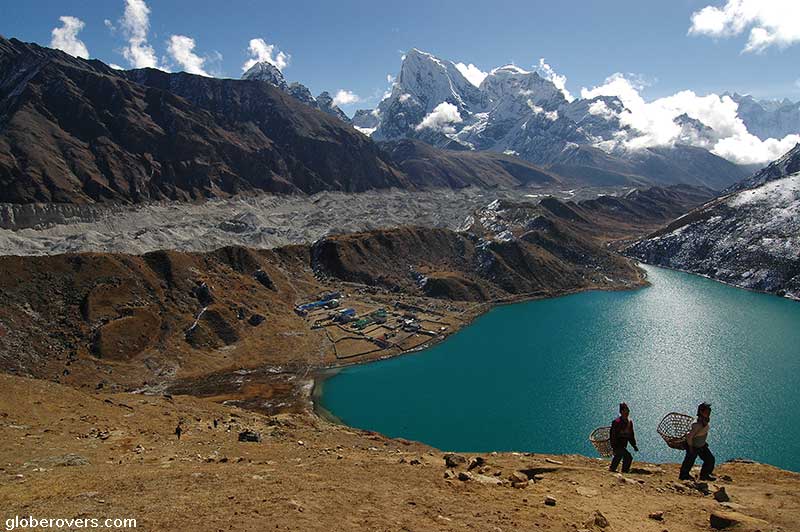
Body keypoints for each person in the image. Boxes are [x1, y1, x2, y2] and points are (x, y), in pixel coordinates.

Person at [679, 402, 715, 481]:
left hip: (701, 445)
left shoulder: (704, 421)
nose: (709, 413)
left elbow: (702, 433)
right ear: (701, 412)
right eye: (707, 412)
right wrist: (690, 447)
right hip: (693, 446)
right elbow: (689, 436)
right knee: (689, 462)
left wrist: (703, 442)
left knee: (710, 460)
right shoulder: (697, 424)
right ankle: (683, 476)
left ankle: (704, 475)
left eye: (709, 412)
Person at [609, 402, 639, 473]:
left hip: (623, 445)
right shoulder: (616, 421)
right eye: (625, 410)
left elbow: (631, 435)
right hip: (617, 444)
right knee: (628, 456)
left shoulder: (629, 422)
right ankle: (624, 471)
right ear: (621, 412)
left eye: (627, 410)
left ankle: (613, 469)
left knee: (619, 456)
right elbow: (612, 434)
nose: (627, 412)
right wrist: (614, 445)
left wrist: (634, 445)